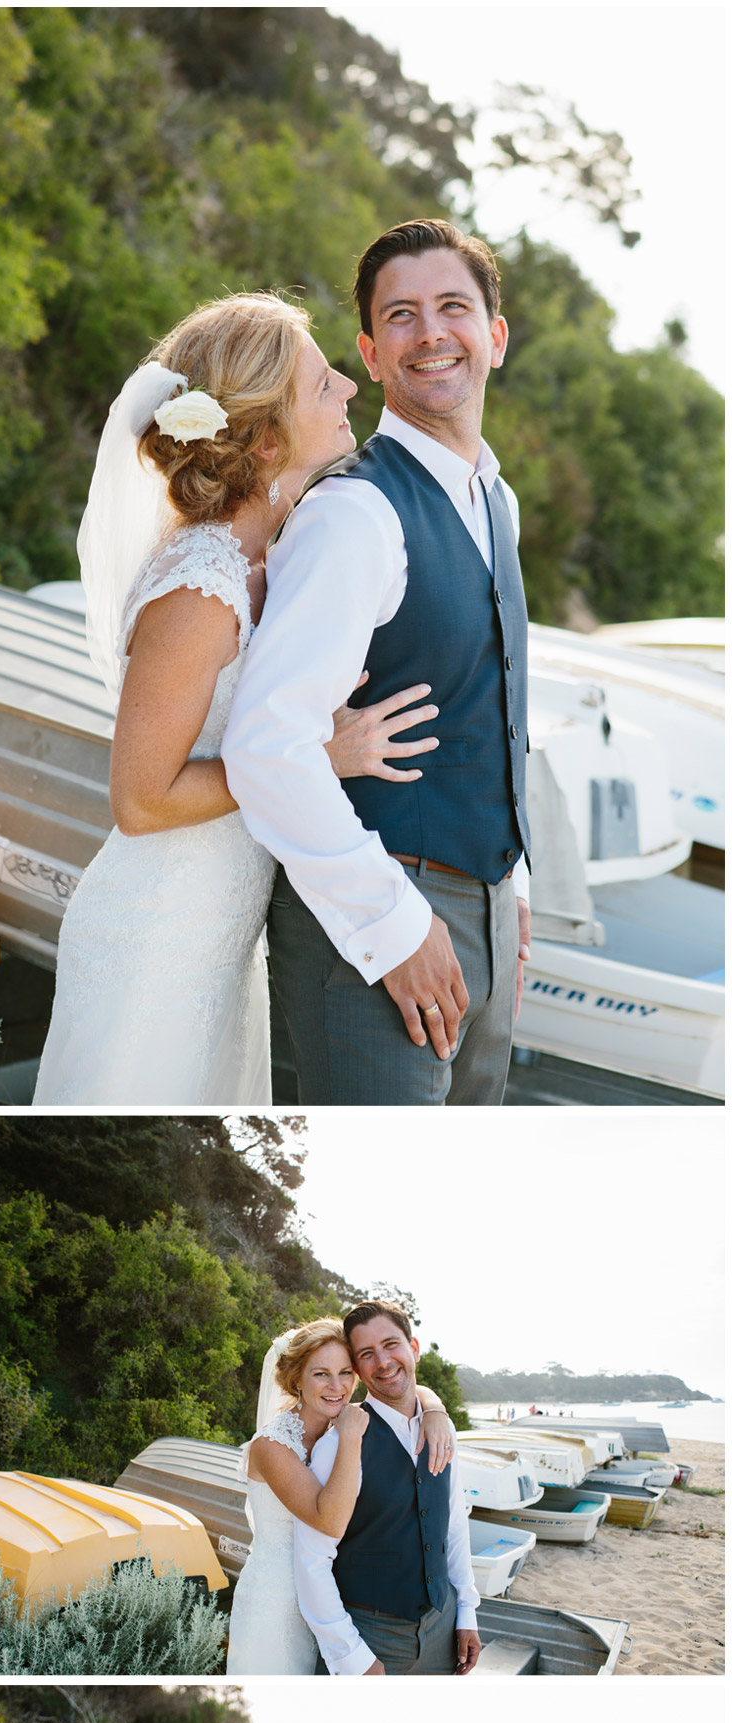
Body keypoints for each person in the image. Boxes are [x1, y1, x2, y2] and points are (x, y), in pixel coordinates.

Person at [34, 293, 434, 1107]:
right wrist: (312, 755)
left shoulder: (267, 563)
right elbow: (141, 800)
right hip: (153, 941)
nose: (351, 391)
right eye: (324, 385)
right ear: (265, 436)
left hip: (219, 935)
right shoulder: (200, 586)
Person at [224, 218, 531, 1107]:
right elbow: (268, 746)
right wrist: (395, 927)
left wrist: (510, 890)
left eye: (452, 307)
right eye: (401, 315)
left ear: (495, 336)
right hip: (374, 923)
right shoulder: (355, 514)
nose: (430, 332)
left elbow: (497, 701)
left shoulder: (496, 499)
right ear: (368, 352)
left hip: (485, 919)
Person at [226, 1316, 459, 1676]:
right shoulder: (271, 1446)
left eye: (346, 1372)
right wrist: (350, 1438)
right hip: (279, 1604)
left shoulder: (338, 1420)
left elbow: (407, 1387)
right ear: (296, 1381)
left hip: (332, 1602)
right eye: (321, 1374)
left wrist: (434, 1408)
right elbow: (330, 1520)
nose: (337, 1386)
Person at [293, 1299, 480, 1675]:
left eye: (391, 1345)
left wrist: (466, 1612)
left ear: (413, 1348)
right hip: (370, 1637)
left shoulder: (441, 1430)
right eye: (366, 1354)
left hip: (442, 1629)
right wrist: (351, 1657)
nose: (382, 1361)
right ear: (358, 1370)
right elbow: (312, 1560)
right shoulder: (339, 1443)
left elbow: (454, 1524)